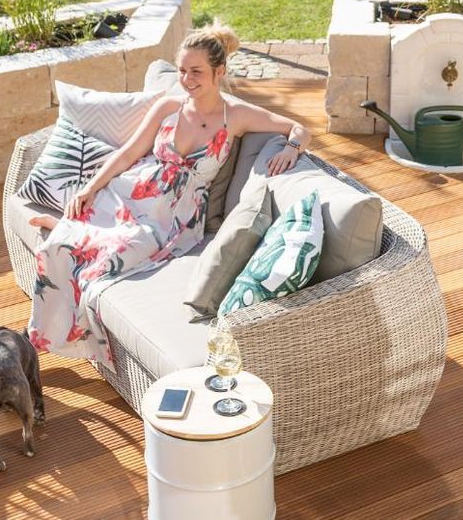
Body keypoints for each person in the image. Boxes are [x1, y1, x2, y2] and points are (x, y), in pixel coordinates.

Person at [25, 25, 312, 364]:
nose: (187, 79)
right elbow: (129, 153)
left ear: (219, 72)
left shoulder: (235, 116)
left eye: (196, 72)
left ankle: (68, 228)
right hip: (129, 192)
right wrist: (90, 188)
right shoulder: (168, 107)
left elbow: (298, 127)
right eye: (181, 71)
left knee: (108, 258)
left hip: (171, 218)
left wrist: (292, 148)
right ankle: (35, 339)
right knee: (57, 248)